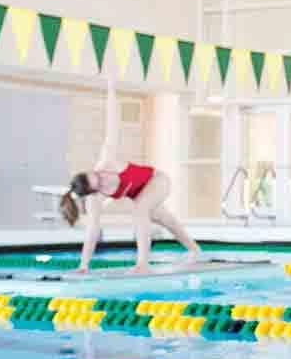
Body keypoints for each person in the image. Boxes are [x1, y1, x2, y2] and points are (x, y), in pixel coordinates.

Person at [60, 76, 202, 273]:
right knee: (165, 220)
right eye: (99, 184)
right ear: (93, 192)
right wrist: (83, 265)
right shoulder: (95, 200)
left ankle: (143, 263)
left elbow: (112, 125)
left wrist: (111, 90)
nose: (103, 178)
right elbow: (92, 231)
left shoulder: (107, 160)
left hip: (158, 180)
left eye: (98, 175)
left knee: (140, 209)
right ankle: (196, 250)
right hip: (143, 194)